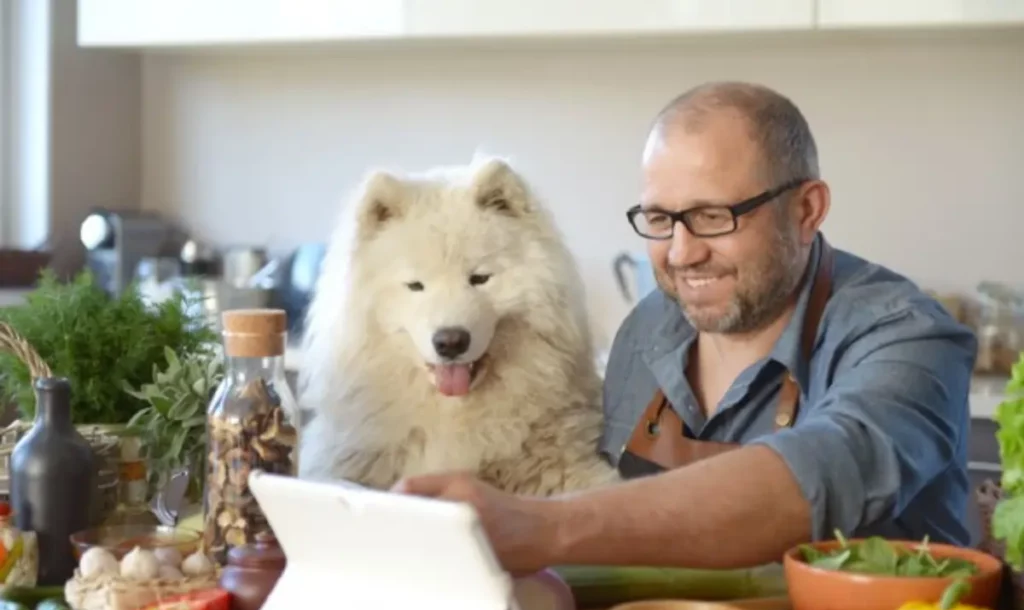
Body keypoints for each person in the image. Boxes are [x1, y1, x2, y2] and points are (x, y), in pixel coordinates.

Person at [393, 81, 978, 575]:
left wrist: (545, 527)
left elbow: (821, 473)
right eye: (659, 219)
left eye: (711, 217)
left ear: (806, 210)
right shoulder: (648, 330)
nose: (680, 253)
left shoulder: (909, 339)